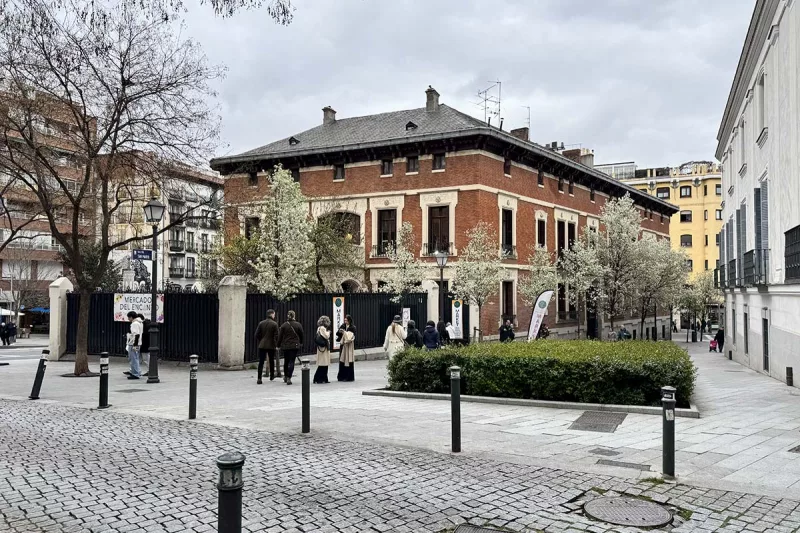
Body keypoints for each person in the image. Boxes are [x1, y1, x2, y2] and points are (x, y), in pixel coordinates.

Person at [277, 310, 303, 385]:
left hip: (286, 346)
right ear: (294, 316)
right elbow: (301, 334)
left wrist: (278, 345)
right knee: (292, 361)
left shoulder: (284, 325)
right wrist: (301, 342)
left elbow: (280, 336)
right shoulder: (298, 325)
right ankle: (289, 377)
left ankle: (285, 376)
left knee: (286, 361)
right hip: (294, 346)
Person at [255, 309, 280, 384]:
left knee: (261, 362)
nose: (274, 316)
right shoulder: (274, 324)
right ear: (272, 314)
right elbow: (277, 336)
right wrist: (276, 344)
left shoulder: (261, 323)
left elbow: (256, 334)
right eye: (274, 314)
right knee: (271, 360)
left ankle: (259, 378)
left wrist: (261, 340)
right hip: (271, 345)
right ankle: (272, 375)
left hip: (262, 345)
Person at [336, 315, 356, 382]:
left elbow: (350, 337)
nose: (345, 322)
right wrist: (340, 331)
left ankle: (349, 377)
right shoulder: (343, 326)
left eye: (346, 320)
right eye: (344, 320)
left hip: (348, 346)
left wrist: (344, 332)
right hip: (343, 345)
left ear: (349, 321)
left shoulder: (352, 327)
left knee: (348, 360)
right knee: (342, 360)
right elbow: (337, 333)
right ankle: (341, 376)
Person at [124, 311, 143, 379]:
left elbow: (136, 334)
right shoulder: (139, 323)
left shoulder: (134, 324)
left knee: (133, 358)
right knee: (136, 358)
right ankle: (137, 371)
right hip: (138, 343)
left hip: (133, 343)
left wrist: (134, 344)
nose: (128, 319)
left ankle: (135, 373)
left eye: (129, 318)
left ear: (131, 317)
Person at [313, 315, 332, 384]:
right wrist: (329, 332)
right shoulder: (322, 328)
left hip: (321, 348)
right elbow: (326, 336)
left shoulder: (319, 328)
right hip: (323, 349)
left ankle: (323, 378)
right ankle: (319, 378)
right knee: (323, 364)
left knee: (323, 364)